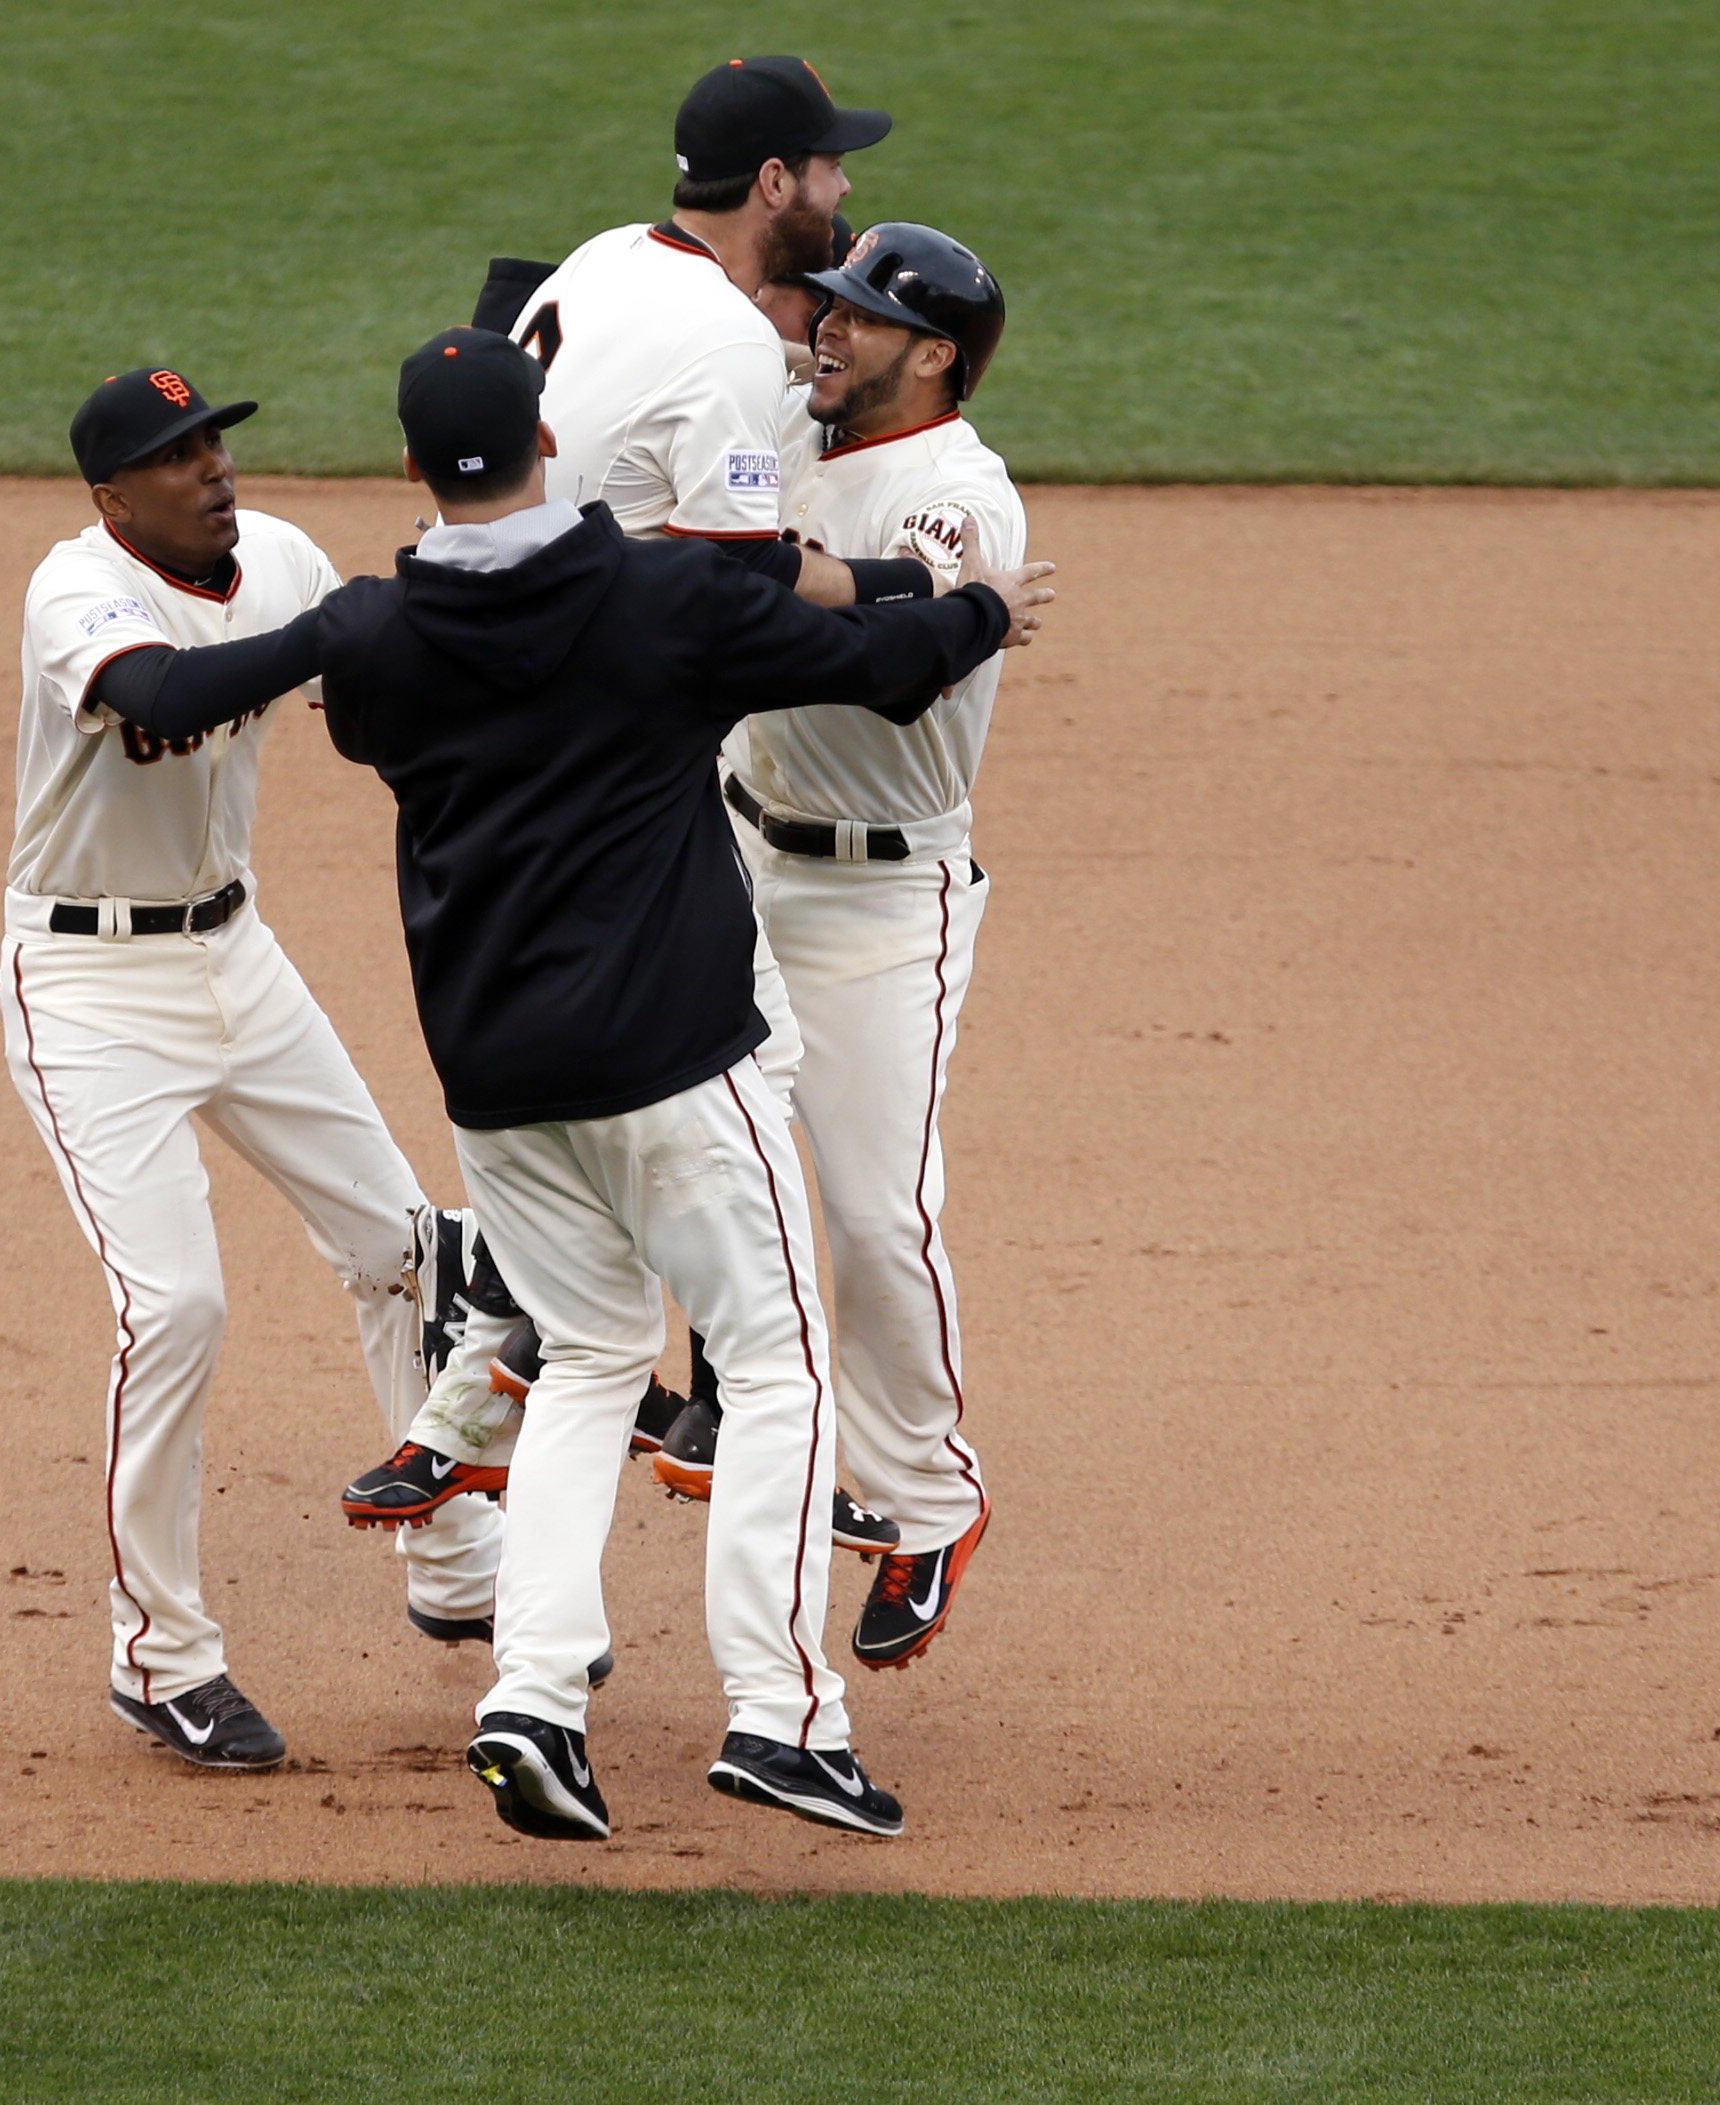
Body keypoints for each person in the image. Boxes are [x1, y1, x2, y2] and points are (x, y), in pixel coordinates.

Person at [317, 329, 1052, 1840]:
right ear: (546, 432)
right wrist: (973, 603)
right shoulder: (656, 603)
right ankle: (782, 1717)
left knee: (591, 1358)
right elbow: (871, 660)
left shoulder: (381, 642)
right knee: (775, 1361)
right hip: (666, 1059)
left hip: (490, 1078)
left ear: (407, 467)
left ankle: (527, 1699)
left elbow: (351, 701)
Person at [349, 56, 936, 1531]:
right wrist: (904, 593)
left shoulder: (616, 259)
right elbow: (740, 584)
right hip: (587, 729)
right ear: (770, 186)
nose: (844, 193)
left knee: (634, 1070)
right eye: (827, 168)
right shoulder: (724, 345)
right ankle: (668, 1407)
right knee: (704, 1064)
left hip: (488, 682)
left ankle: (502, 1401)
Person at [0, 367, 554, 1773]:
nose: (207, 468)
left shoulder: (286, 561)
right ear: (109, 495)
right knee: (174, 1304)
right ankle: (159, 1656)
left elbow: (379, 693)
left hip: (235, 956)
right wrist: (329, 625)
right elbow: (161, 689)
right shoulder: (77, 592)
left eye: (211, 442)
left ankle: (450, 1559)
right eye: (170, 456)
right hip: (86, 985)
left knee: (405, 1242)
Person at [727, 223, 1023, 1669]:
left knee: (871, 1211)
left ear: (938, 358)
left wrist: (734, 574)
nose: (825, 327)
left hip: (877, 905)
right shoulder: (786, 405)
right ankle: (698, 1393)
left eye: (860, 317)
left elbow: (883, 663)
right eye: (825, 305)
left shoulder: (960, 499)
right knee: (657, 1126)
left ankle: (925, 1499)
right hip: (726, 845)